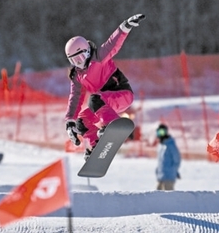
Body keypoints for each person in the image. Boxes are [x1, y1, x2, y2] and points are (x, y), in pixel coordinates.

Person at [64, 14, 145, 160]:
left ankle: (112, 125)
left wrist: (125, 27)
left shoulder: (98, 58)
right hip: (105, 104)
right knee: (82, 121)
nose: (78, 63)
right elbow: (75, 97)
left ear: (87, 52)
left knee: (94, 100)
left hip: (121, 94)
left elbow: (113, 44)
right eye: (74, 61)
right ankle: (96, 147)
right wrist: (70, 122)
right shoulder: (77, 76)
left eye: (80, 58)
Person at [155, 124, 181, 191]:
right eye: (159, 132)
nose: (161, 134)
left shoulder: (170, 145)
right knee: (157, 195)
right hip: (161, 177)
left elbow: (177, 159)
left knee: (168, 196)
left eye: (162, 132)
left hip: (169, 177)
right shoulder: (161, 146)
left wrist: (174, 171)